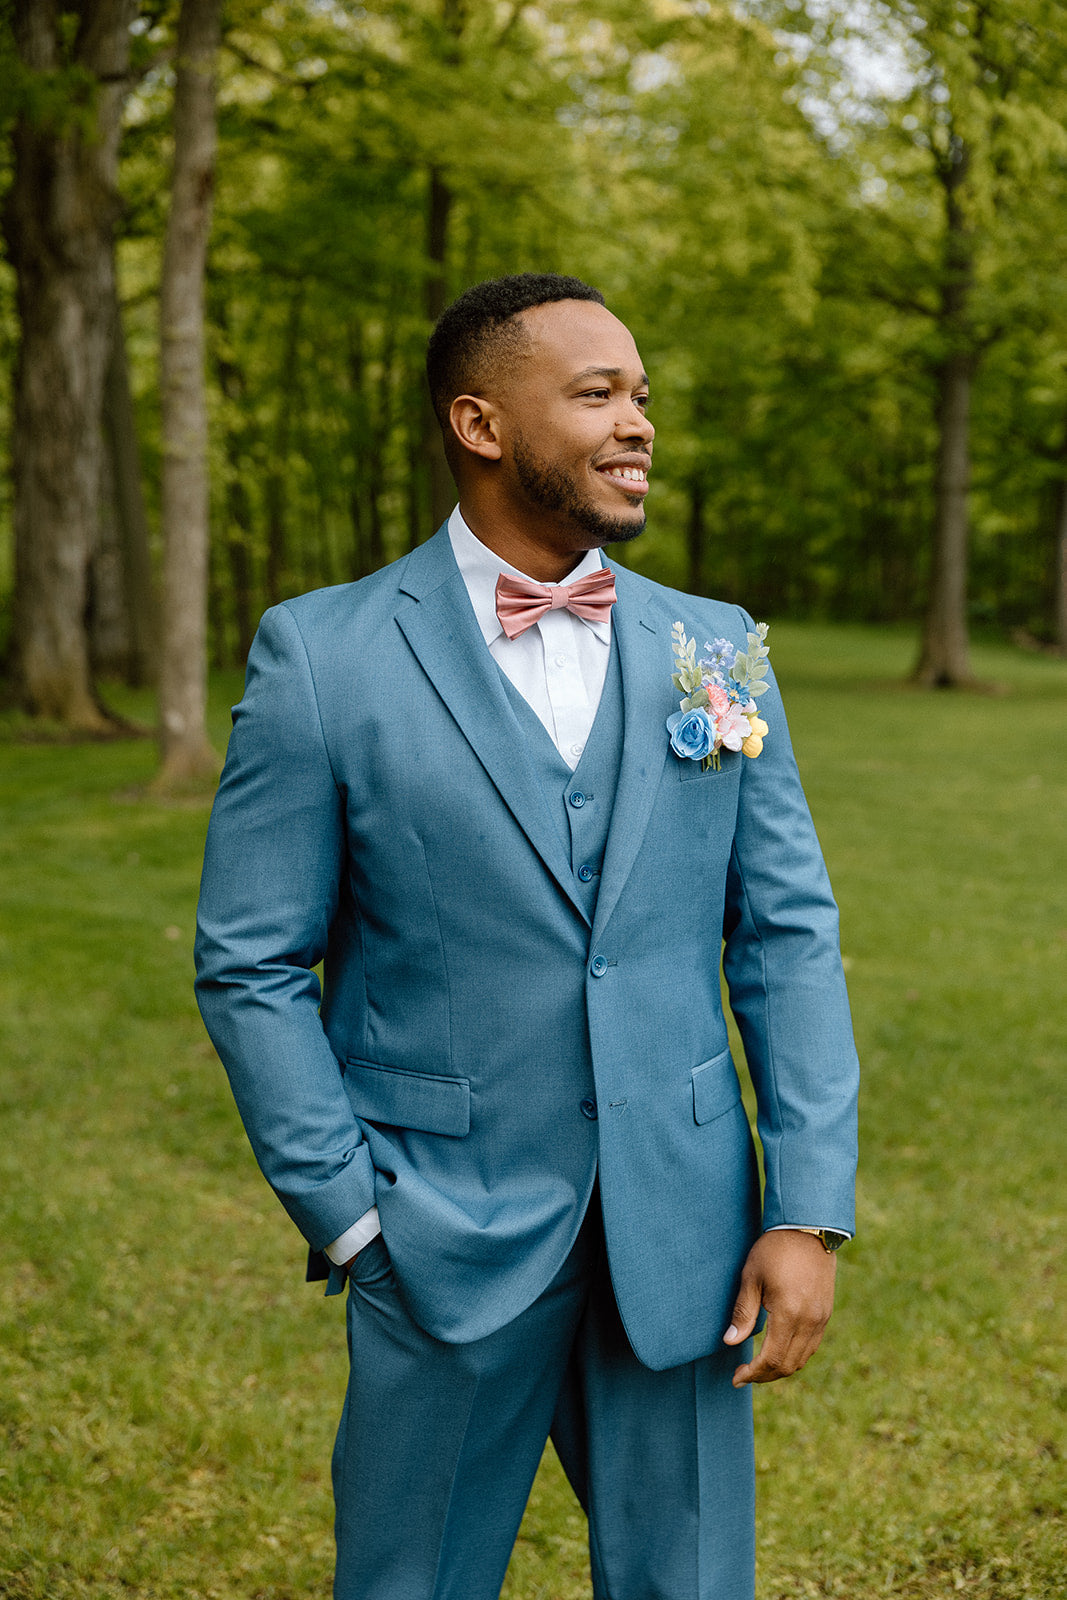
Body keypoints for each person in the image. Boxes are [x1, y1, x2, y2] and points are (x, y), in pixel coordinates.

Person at [194, 272, 859, 1600]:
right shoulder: (323, 657)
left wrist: (809, 1212)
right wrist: (347, 1218)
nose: (638, 424)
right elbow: (251, 961)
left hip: (685, 1233)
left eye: (644, 397)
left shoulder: (713, 651)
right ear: (481, 423)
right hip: (435, 1228)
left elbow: (784, 934)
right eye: (597, 393)